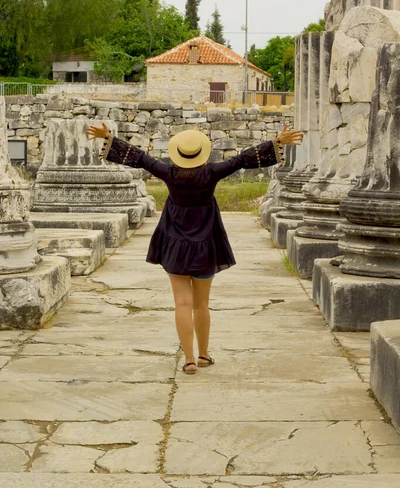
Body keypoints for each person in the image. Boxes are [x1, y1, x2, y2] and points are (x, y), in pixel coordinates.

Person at [87, 121, 303, 375]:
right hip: (205, 245)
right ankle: (203, 355)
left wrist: (109, 137)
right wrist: (277, 142)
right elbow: (243, 159)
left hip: (174, 245)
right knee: (201, 304)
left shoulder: (168, 173)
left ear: (177, 153)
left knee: (181, 304)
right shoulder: (212, 173)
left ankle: (188, 360)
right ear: (202, 152)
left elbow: (141, 158)